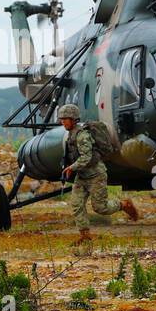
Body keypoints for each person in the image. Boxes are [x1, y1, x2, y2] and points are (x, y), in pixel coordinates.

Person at [58, 104, 138, 243]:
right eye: (62, 119)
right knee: (77, 204)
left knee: (100, 208)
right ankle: (85, 235)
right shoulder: (72, 135)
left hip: (96, 176)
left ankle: (124, 205)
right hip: (82, 176)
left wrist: (72, 167)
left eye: (66, 119)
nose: (63, 121)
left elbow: (86, 157)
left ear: (74, 119)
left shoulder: (82, 135)